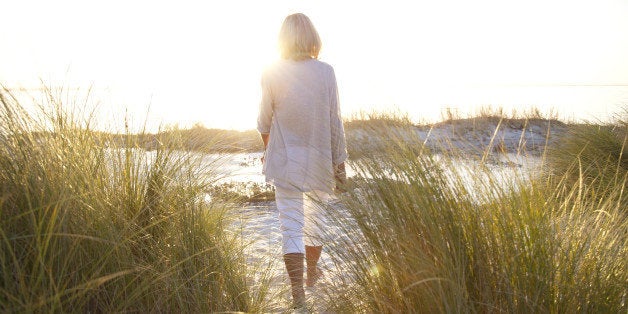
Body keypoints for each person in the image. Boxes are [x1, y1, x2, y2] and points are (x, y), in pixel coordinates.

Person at [257, 13, 347, 309]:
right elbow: (335, 121)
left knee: (291, 228)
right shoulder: (325, 72)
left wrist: (270, 151)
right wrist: (340, 163)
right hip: (319, 162)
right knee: (315, 224)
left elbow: (263, 123)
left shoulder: (272, 73)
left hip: (285, 164)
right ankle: (310, 276)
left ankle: (298, 292)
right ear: (312, 38)